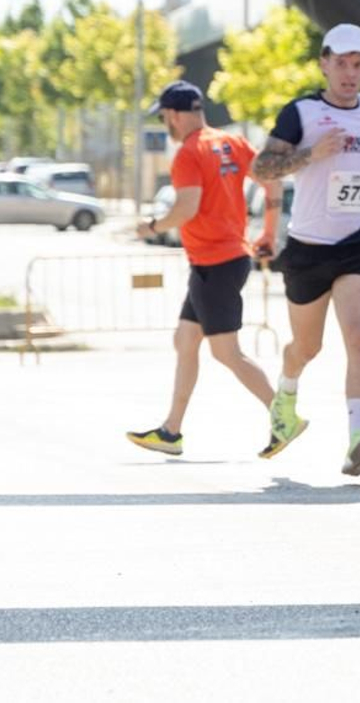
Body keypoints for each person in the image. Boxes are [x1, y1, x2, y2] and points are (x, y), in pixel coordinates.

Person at [251, 23, 360, 474]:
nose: (349, 73)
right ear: (324, 64)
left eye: (358, 65)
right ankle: (286, 395)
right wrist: (310, 155)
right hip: (309, 247)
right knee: (307, 346)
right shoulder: (301, 113)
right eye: (341, 63)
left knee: (359, 337)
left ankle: (358, 438)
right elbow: (263, 167)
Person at [127, 81, 281, 456]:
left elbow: (186, 209)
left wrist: (151, 227)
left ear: (176, 115)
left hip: (216, 262)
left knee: (227, 353)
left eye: (164, 116)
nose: (166, 123)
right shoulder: (232, 143)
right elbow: (272, 180)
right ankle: (171, 431)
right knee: (185, 340)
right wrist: (269, 233)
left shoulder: (188, 153)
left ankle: (284, 416)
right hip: (217, 262)